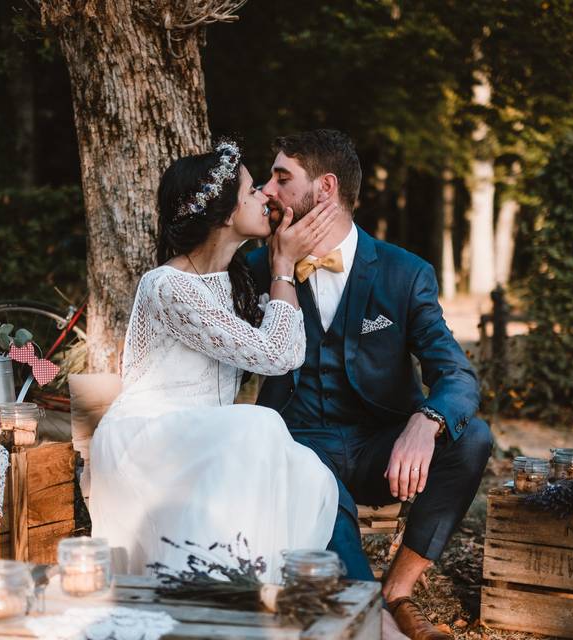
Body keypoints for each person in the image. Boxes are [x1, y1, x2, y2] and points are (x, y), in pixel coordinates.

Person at [249, 129, 493, 640]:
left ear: (326, 187)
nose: (268, 190)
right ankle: (373, 623)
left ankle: (396, 594)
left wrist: (427, 421)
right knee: (312, 477)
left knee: (471, 437)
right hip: (297, 444)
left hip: (380, 447)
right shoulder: (254, 267)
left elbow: (455, 373)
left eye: (281, 177)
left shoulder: (405, 273)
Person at [89, 140, 339, 582]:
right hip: (148, 437)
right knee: (256, 426)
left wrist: (280, 265)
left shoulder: (233, 280)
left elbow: (287, 349)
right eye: (251, 192)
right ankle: (227, 586)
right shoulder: (167, 286)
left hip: (204, 437)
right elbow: (278, 355)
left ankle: (252, 588)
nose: (266, 194)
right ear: (226, 216)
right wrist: (283, 266)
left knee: (310, 474)